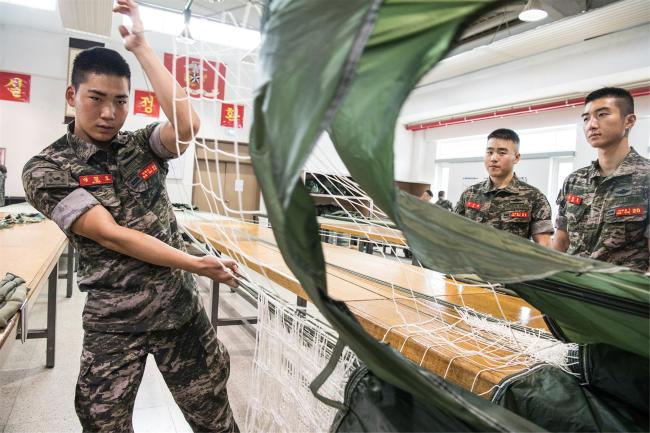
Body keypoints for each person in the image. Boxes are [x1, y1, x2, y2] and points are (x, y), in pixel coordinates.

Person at [22, 1, 238, 431]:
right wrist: (195, 263)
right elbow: (112, 234)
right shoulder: (47, 169)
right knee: (103, 423)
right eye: (96, 99)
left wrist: (142, 48)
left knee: (214, 419)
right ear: (73, 96)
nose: (108, 113)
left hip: (180, 314)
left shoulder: (140, 145)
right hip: (115, 323)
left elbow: (188, 124)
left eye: (120, 101)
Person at [552, 87, 649, 272]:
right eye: (586, 118)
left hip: (617, 294)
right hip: (571, 288)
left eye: (602, 114)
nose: (591, 125)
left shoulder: (646, 179)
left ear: (629, 121)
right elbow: (561, 242)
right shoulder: (574, 181)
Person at [454, 128, 553, 246]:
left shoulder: (534, 197)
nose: (493, 158)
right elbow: (454, 232)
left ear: (516, 158)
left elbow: (544, 245)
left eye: (502, 153)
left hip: (511, 263)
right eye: (489, 152)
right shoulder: (470, 194)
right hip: (472, 263)